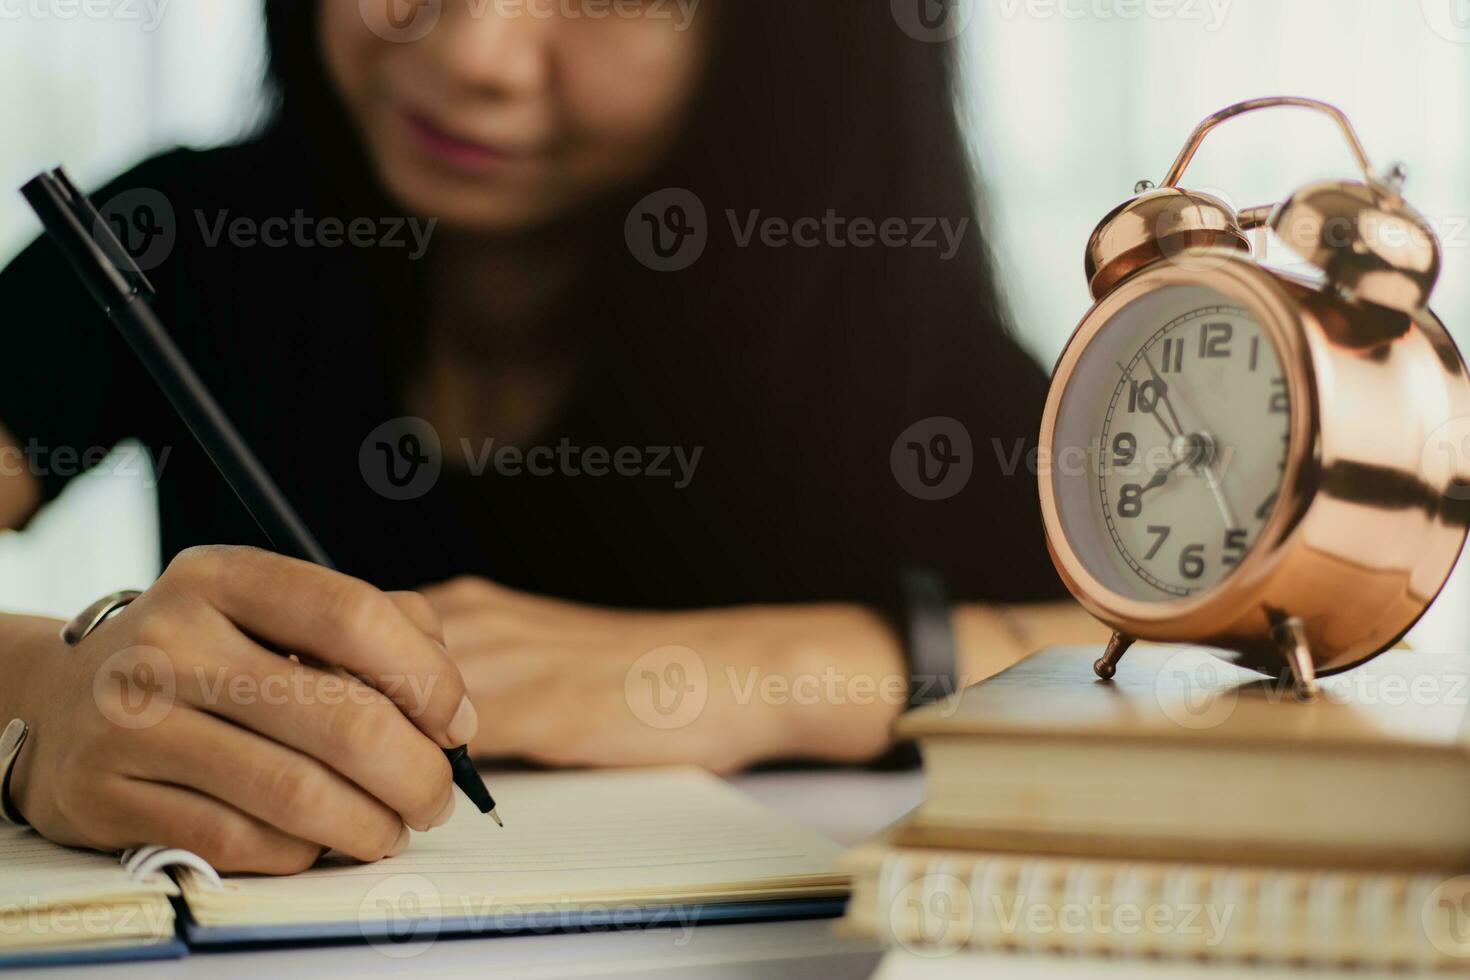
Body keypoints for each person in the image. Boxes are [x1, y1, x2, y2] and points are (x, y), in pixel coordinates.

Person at [0, 1, 1097, 874]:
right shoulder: (174, 242)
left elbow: (1200, 655)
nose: (478, 49)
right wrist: (37, 697)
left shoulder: (872, 319)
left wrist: (762, 670)